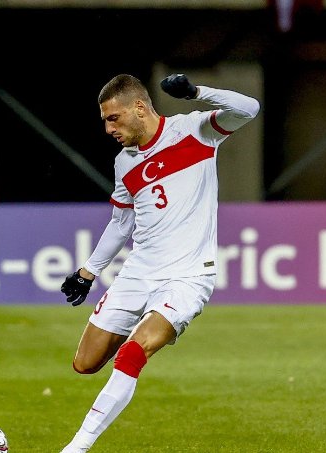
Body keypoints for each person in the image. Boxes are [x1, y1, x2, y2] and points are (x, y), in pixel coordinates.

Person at [58, 73, 260, 452]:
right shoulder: (124, 163)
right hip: (138, 272)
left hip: (187, 277)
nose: (108, 129)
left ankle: (77, 446)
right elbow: (121, 223)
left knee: (133, 352)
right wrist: (88, 272)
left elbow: (249, 108)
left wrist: (197, 93)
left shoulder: (195, 131)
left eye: (113, 118)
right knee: (85, 363)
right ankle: (137, 339)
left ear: (139, 107)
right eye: (105, 121)